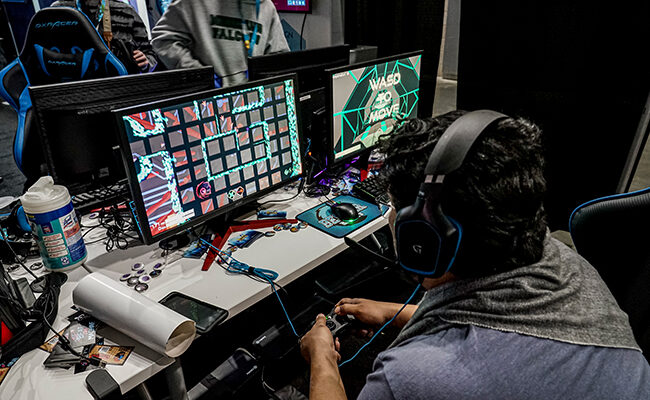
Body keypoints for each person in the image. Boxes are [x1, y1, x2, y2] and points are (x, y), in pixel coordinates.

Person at [299, 110, 650, 400]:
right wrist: (397, 312)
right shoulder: (569, 264)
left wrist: (321, 359)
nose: (391, 218)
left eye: (393, 209)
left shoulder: (412, 378)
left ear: (423, 238)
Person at [151, 0, 289, 87]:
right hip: (207, 101)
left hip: (252, 100)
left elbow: (279, 58)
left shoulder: (267, 7)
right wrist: (201, 76)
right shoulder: (193, 3)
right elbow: (162, 40)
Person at [51, 0, 157, 72]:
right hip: (74, 89)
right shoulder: (58, 10)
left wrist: (146, 61)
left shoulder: (126, 11)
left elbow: (150, 54)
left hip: (119, 90)